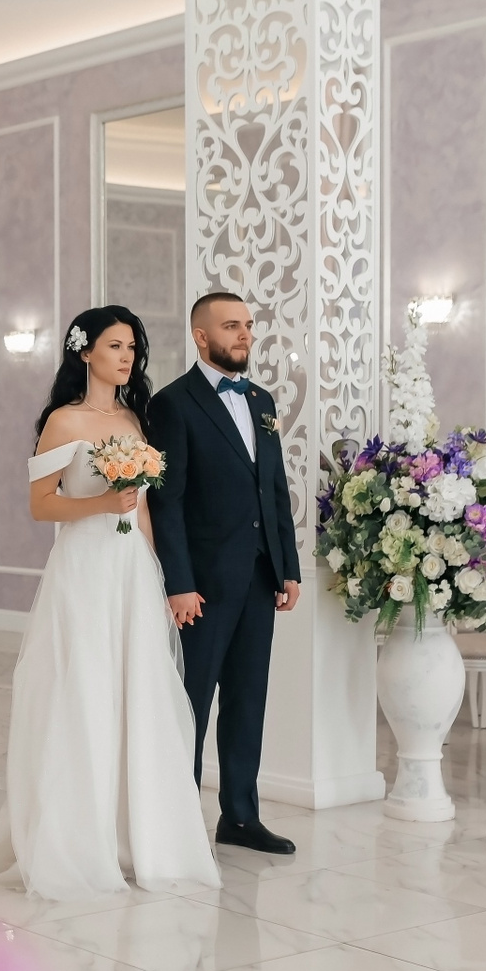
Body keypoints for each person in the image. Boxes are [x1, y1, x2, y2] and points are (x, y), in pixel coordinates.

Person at [0, 306, 220, 899]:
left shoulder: (134, 418)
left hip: (130, 568)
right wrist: (103, 503)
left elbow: (144, 509)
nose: (127, 356)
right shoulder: (63, 421)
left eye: (132, 347)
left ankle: (140, 837)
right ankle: (79, 840)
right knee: (86, 690)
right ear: (85, 352)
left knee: (138, 690)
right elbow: (41, 504)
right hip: (84, 568)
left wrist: (163, 576)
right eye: (115, 345)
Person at [147, 291, 300, 856]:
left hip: (259, 578)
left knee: (247, 700)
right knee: (190, 702)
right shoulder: (173, 404)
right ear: (201, 336)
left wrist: (287, 567)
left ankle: (239, 816)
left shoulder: (261, 399)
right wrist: (179, 583)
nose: (244, 335)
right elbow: (167, 503)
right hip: (203, 586)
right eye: (231, 326)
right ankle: (177, 820)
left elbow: (275, 489)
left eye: (248, 325)